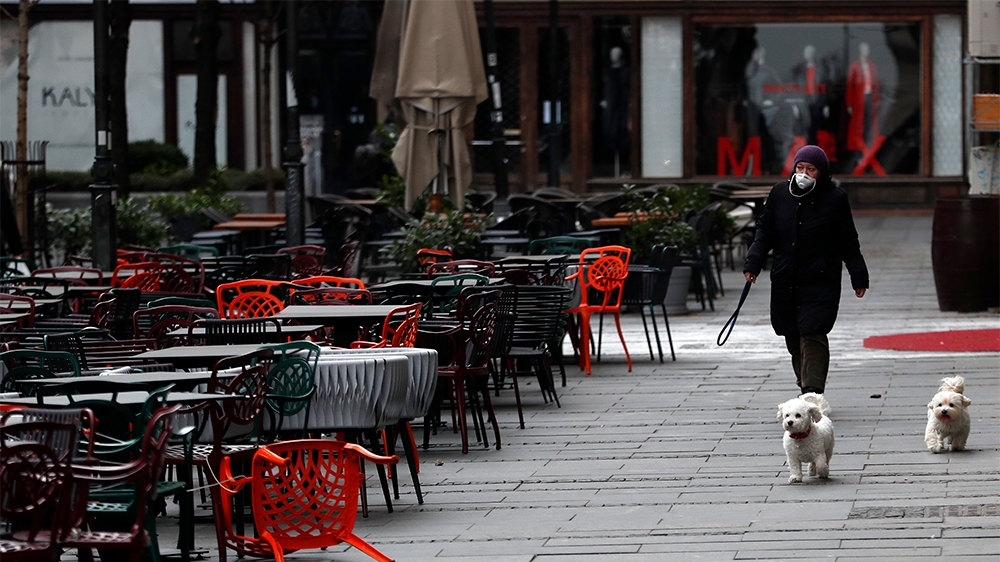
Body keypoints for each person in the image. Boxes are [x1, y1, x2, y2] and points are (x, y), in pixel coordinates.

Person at [743, 145, 868, 396]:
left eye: (811, 169)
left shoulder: (835, 199)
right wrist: (753, 263)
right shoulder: (780, 193)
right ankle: (805, 383)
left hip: (820, 279)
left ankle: (812, 392)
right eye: (800, 167)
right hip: (785, 278)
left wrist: (858, 275)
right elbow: (764, 231)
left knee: (813, 331)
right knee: (792, 333)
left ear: (821, 173)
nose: (804, 173)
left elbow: (848, 240)